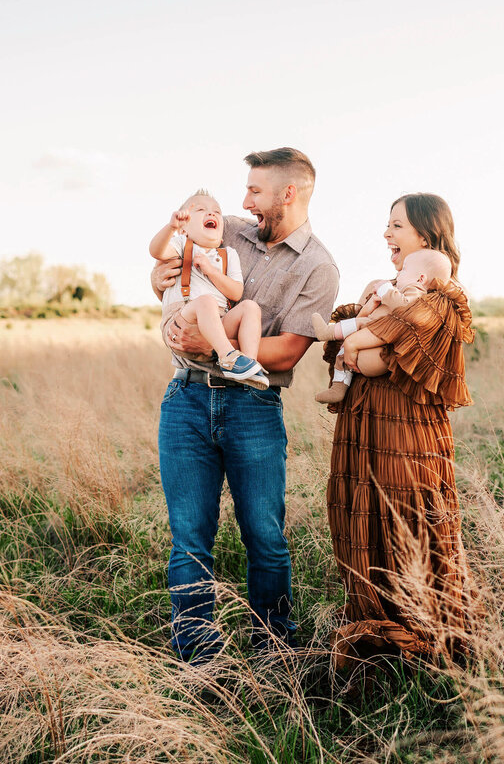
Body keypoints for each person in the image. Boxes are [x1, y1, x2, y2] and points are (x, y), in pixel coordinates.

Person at [151, 148, 339, 663]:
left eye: (255, 191)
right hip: (186, 400)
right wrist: (161, 279)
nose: (243, 201)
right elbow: (170, 260)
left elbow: (287, 350)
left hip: (254, 408)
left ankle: (273, 650)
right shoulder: (227, 228)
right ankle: (197, 657)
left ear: (288, 193)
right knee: (189, 537)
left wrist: (208, 343)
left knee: (264, 535)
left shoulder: (319, 267)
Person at [323, 192, 477, 668]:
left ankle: (422, 638)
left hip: (406, 437)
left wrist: (361, 344)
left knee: (408, 522)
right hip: (363, 429)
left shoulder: (439, 299)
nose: (386, 234)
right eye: (387, 225)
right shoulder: (386, 291)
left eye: (396, 226)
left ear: (427, 235)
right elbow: (342, 338)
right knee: (362, 518)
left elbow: (387, 348)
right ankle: (374, 634)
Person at [149, 190, 269, 388]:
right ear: (184, 229)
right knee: (206, 301)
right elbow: (156, 250)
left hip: (217, 325)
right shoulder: (181, 244)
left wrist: (210, 270)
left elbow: (236, 292)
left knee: (249, 307)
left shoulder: (229, 255)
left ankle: (248, 365)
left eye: (216, 211)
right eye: (201, 210)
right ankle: (228, 357)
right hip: (181, 322)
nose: (211, 213)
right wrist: (171, 228)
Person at [310, 248, 452, 403]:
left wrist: (385, 289)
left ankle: (328, 332)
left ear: (421, 279)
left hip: (380, 334)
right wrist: (371, 305)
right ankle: (338, 388)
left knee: (359, 326)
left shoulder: (416, 292)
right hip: (372, 329)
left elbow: (404, 308)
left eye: (404, 270)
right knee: (348, 343)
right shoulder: (401, 290)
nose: (398, 274)